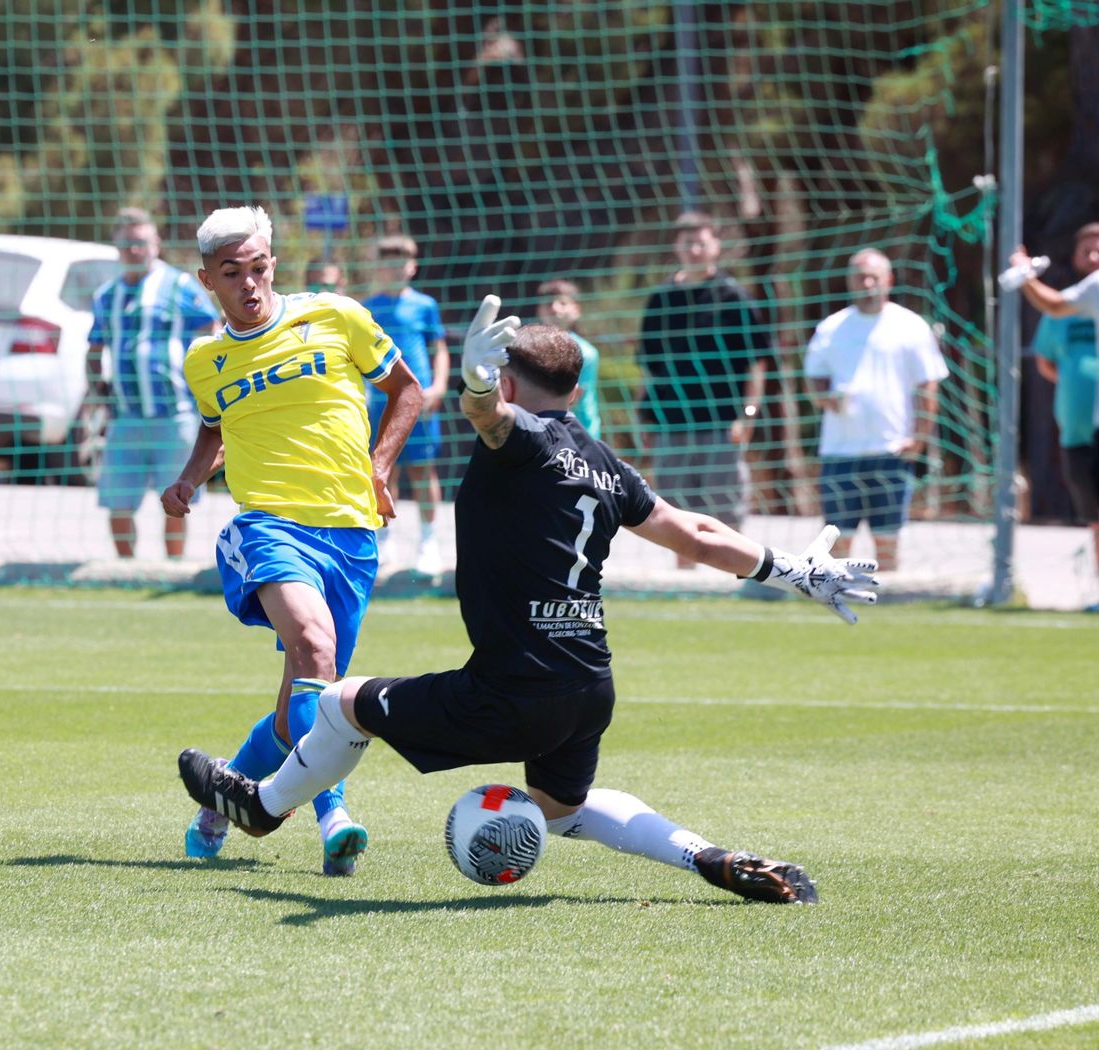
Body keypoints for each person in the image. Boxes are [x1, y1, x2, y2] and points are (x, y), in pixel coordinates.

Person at [180, 296, 881, 904]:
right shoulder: (607, 466)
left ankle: (263, 807)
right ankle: (706, 855)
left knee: (339, 703)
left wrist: (477, 385)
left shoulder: (523, 440)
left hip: (511, 689)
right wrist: (793, 570)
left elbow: (488, 417)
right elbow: (696, 533)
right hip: (587, 689)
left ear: (512, 383)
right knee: (562, 810)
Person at [162, 204, 423, 875]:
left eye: (258, 267)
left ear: (273, 264)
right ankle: (334, 814)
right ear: (207, 280)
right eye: (231, 273)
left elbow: (407, 392)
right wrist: (189, 479)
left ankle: (221, 801)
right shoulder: (205, 360)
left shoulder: (336, 315)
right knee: (314, 646)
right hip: (269, 526)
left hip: (352, 534)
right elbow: (216, 426)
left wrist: (379, 468)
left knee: (302, 707)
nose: (248, 283)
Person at [637, 211, 773, 568]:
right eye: (688, 243)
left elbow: (757, 363)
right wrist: (645, 418)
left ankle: (731, 581)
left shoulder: (734, 297)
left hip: (722, 424)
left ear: (716, 246)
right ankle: (688, 585)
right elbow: (648, 366)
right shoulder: (661, 299)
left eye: (701, 243)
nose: (694, 250)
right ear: (676, 247)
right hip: (670, 424)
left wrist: (748, 415)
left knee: (726, 513)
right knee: (677, 519)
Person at [85, 208, 220, 559]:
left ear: (156, 243)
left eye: (141, 243)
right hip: (125, 417)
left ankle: (172, 567)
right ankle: (126, 569)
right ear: (116, 246)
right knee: (117, 502)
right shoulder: (106, 295)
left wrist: (206, 382)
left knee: (176, 499)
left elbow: (212, 330)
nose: (134, 250)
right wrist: (99, 391)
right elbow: (94, 348)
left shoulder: (179, 286)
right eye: (127, 244)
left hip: (175, 415)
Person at [804, 250, 948, 572]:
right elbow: (814, 380)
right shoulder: (832, 328)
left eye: (874, 277)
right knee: (837, 544)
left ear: (889, 280)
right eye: (860, 277)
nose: (867, 284)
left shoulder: (910, 326)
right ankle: (839, 596)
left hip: (891, 450)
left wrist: (920, 439)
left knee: (887, 542)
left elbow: (928, 387)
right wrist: (826, 398)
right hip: (840, 452)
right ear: (849, 281)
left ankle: (886, 599)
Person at [361, 235, 451, 575]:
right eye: (388, 262)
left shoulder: (425, 305)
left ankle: (428, 542)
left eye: (401, 262)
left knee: (422, 470)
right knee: (383, 469)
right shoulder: (367, 307)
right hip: (380, 401)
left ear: (412, 267)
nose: (395, 269)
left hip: (419, 402)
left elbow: (439, 349)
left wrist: (438, 386)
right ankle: (385, 540)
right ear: (378, 267)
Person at [1022, 224, 1099, 597]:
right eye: (1087, 250)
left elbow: (1051, 301)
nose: (1094, 257)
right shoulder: (1090, 290)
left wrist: (1023, 273)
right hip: (1082, 427)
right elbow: (1047, 355)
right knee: (1095, 515)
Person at [536, 278, 601, 438]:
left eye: (563, 303)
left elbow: (572, 400)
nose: (554, 308)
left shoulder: (585, 352)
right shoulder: (529, 349)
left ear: (576, 309)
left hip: (579, 435)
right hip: (541, 432)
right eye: (548, 303)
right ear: (539, 309)